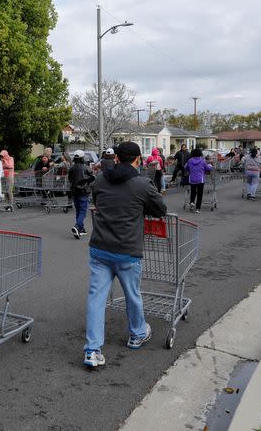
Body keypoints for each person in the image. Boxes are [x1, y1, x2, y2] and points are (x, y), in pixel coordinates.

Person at [83, 142, 167, 368]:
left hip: (100, 248)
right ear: (138, 160)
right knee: (132, 294)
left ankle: (92, 349)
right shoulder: (142, 185)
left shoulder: (100, 180)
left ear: (117, 158)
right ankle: (137, 333)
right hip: (127, 251)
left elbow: (99, 202)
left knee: (96, 297)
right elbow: (161, 209)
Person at [68, 150, 95, 239]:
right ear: (82, 158)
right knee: (83, 211)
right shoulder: (86, 168)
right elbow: (92, 177)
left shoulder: (72, 168)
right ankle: (77, 226)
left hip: (74, 191)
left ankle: (81, 229)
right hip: (83, 191)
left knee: (78, 211)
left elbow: (70, 179)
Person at [184, 149, 213, 214]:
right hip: (200, 179)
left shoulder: (190, 160)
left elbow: (186, 167)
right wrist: (210, 166)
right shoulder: (202, 161)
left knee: (193, 192)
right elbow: (207, 168)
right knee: (200, 194)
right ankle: (197, 209)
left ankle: (192, 202)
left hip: (192, 179)